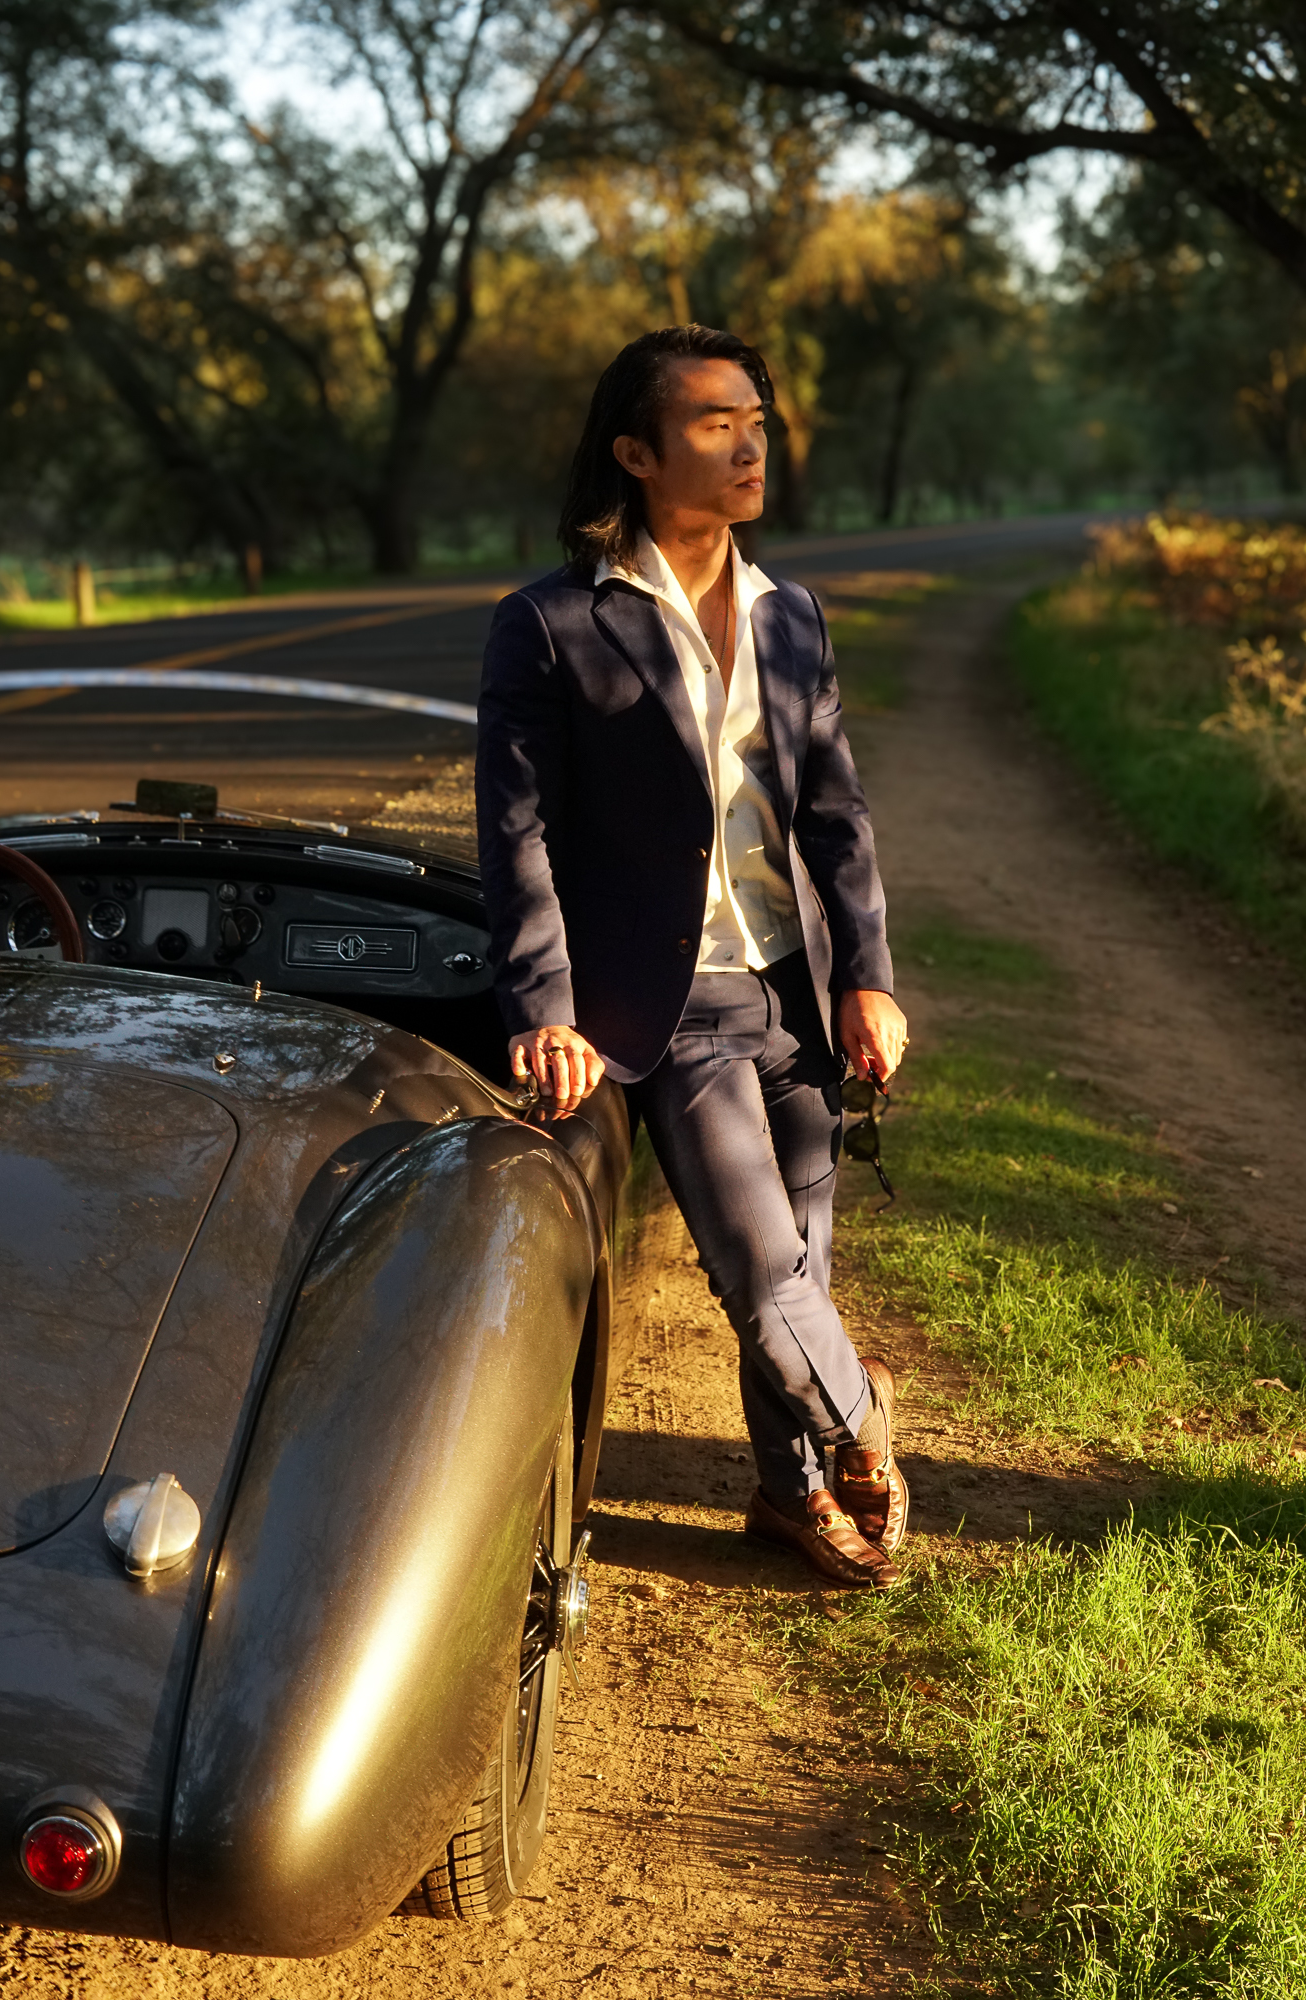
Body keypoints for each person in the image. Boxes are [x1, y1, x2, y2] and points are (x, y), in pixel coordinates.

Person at [475, 325, 910, 1589]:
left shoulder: (790, 615)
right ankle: (864, 1422)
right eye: (715, 421)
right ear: (636, 453)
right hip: (674, 1007)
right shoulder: (552, 623)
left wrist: (868, 974)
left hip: (796, 991)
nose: (748, 439)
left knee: (803, 1270)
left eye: (755, 417)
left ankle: (789, 1493)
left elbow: (835, 809)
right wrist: (543, 1004)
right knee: (764, 1273)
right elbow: (517, 833)